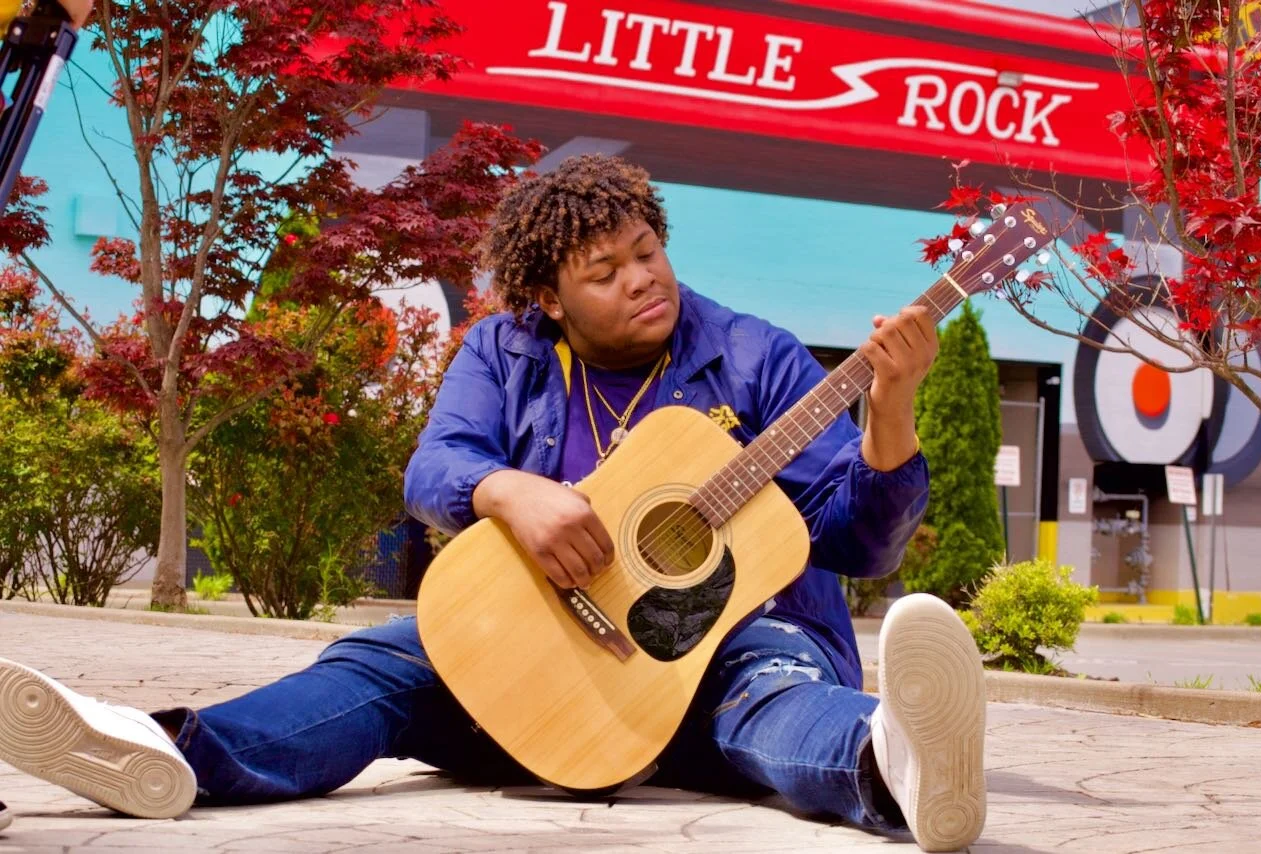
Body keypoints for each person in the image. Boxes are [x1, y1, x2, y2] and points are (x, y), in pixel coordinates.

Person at [0, 155, 987, 852]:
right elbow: (437, 467)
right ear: (550, 297)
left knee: (769, 683)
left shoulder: (755, 355)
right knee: (380, 662)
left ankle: (892, 764)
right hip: (533, 668)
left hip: (709, 671)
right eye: (603, 272)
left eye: (645, 249)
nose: (641, 279)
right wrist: (508, 491)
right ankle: (162, 752)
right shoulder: (504, 351)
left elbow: (861, 539)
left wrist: (888, 407)